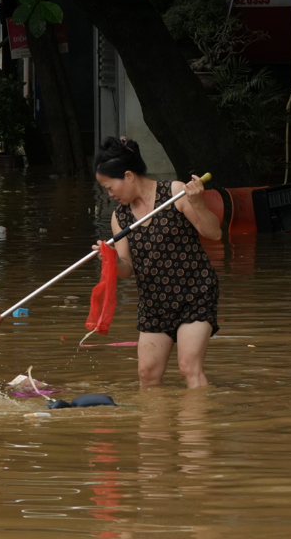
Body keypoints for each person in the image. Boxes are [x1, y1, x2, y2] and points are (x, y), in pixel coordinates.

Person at [92, 136, 221, 390]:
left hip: (194, 294)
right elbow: (128, 271)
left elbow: (214, 233)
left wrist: (196, 202)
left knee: (188, 367)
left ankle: (197, 427)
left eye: (109, 187)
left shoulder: (174, 193)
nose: (109, 194)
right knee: (147, 375)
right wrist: (114, 260)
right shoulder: (120, 217)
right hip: (154, 302)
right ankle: (154, 428)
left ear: (128, 176)